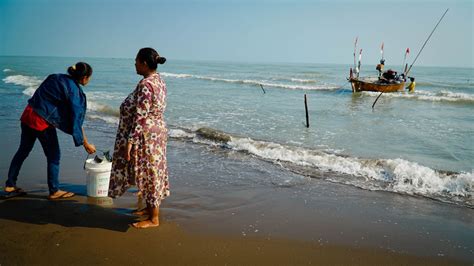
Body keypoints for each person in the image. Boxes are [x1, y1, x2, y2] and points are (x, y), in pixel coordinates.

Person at [4, 62, 96, 199]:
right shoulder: (74, 92)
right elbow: (76, 120)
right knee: (54, 156)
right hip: (41, 123)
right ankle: (54, 191)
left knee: (22, 151)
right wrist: (85, 143)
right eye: (89, 77)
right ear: (84, 78)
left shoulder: (55, 77)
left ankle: (10, 185)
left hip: (28, 114)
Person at [108, 47, 169, 229]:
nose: (134, 63)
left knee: (149, 173)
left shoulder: (146, 85)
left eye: (136, 60)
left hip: (145, 135)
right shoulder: (158, 80)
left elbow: (141, 116)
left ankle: (154, 219)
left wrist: (131, 141)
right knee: (151, 171)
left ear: (143, 63)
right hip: (156, 132)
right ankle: (149, 211)